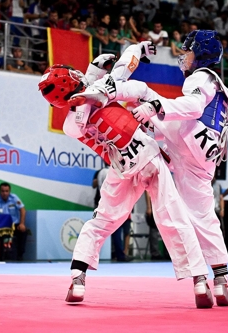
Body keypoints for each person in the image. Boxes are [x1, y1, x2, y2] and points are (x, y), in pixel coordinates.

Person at [40, 44, 213, 308]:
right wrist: (139, 48)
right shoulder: (103, 87)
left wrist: (92, 72)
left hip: (120, 165)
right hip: (147, 154)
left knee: (101, 221)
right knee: (173, 217)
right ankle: (200, 281)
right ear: (72, 78)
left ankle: (77, 279)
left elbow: (84, 98)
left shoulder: (69, 126)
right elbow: (125, 64)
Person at [100, 30, 228, 306]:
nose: (182, 57)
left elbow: (194, 107)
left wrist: (155, 107)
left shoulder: (202, 77)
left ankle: (107, 89)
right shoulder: (225, 92)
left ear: (201, 56)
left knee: (144, 93)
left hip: (192, 139)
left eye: (187, 52)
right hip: (207, 156)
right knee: (205, 216)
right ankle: (220, 280)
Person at [0, 182, 27, 261]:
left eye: (6, 191)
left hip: (14, 225)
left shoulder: (14, 198)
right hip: (0, 226)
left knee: (23, 232)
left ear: (9, 191)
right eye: (2, 191)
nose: (4, 193)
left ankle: (19, 256)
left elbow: (22, 210)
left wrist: (22, 223)